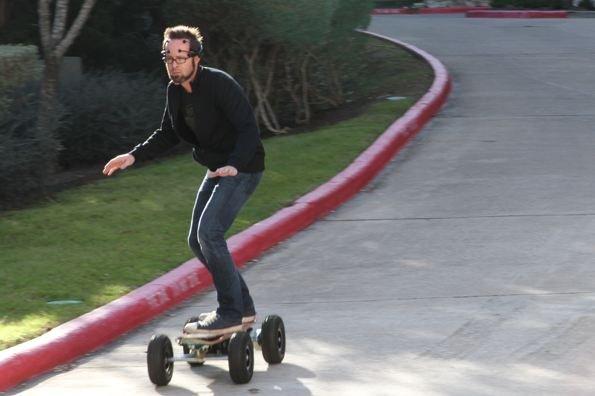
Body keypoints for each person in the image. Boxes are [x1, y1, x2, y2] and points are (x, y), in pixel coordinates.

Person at [102, 25, 265, 336]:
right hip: (217, 168)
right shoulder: (174, 92)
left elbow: (248, 130)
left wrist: (234, 164)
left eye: (180, 56)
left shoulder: (220, 85)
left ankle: (229, 311)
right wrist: (134, 155)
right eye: (168, 57)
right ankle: (241, 308)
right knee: (196, 239)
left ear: (196, 59)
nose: (173, 63)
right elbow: (168, 133)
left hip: (243, 168)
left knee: (210, 232)